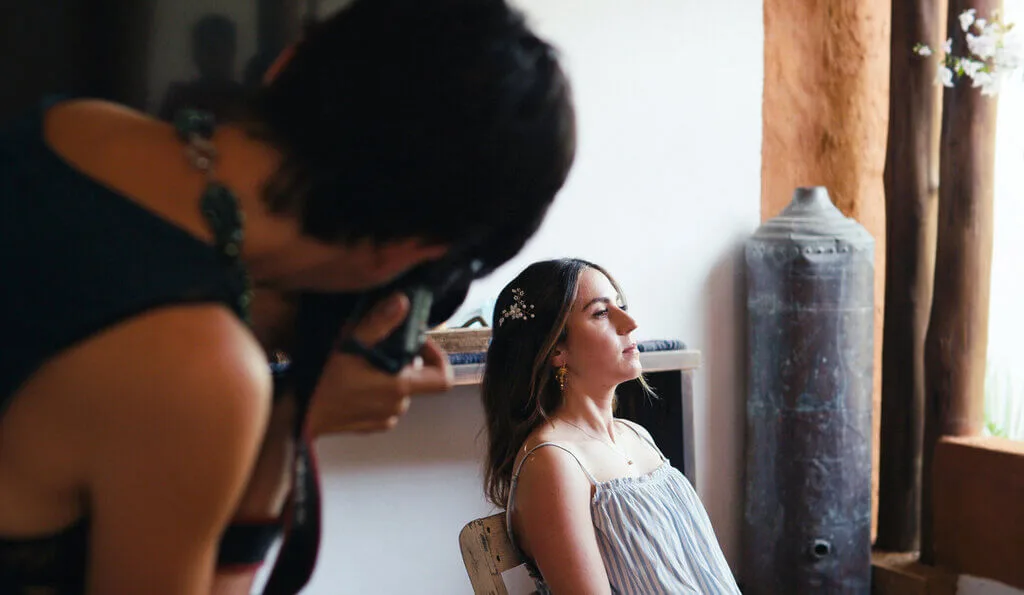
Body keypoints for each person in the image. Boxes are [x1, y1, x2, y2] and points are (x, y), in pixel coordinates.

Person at [0, 0, 576, 592]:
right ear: (414, 252)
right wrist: (296, 425)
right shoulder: (199, 365)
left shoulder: (75, 127)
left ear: (287, 64)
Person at [481, 259, 739, 594]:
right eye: (601, 313)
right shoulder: (553, 463)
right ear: (556, 349)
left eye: (622, 307)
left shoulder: (636, 435)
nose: (630, 323)